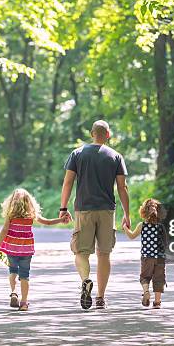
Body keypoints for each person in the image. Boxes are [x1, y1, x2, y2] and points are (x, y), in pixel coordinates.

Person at [59, 120, 130, 309]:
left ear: (92, 134)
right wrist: (127, 214)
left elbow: (67, 183)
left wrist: (63, 208)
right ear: (108, 135)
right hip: (107, 210)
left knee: (81, 252)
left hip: (84, 209)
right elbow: (122, 188)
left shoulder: (77, 154)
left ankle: (85, 280)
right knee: (104, 254)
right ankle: (100, 298)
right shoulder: (116, 156)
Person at [0, 188, 67, 311]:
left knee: (12, 271)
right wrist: (61, 219)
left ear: (12, 202)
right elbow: (47, 222)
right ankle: (24, 303)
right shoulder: (31, 215)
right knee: (25, 276)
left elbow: (4, 230)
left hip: (12, 249)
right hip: (26, 250)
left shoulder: (10, 216)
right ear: (29, 202)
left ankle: (14, 292)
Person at [122, 198, 167, 309]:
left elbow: (132, 236)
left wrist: (125, 228)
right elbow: (166, 243)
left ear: (143, 211)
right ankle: (157, 303)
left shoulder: (142, 225)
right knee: (159, 279)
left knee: (145, 277)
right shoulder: (161, 227)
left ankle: (146, 291)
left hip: (147, 257)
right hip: (160, 258)